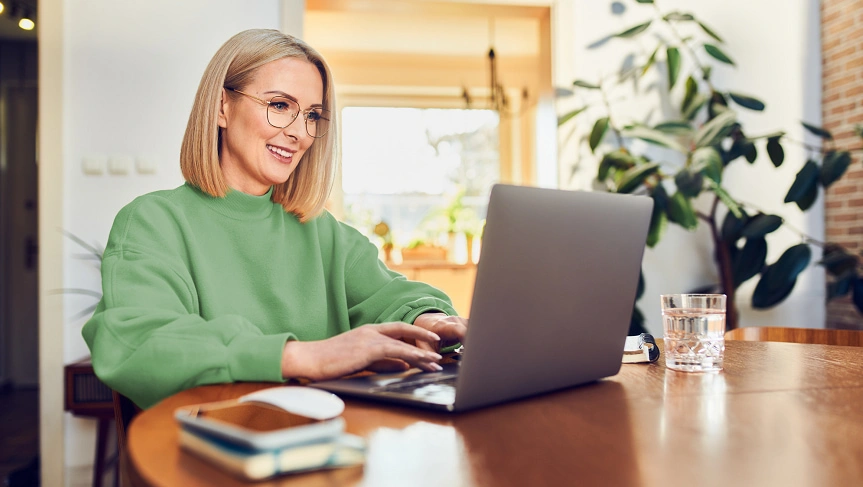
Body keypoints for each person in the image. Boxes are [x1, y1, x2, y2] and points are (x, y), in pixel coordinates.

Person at [82, 29, 468, 409]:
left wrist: (429, 319)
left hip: (327, 447)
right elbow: (138, 342)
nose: (300, 133)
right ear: (222, 107)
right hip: (209, 452)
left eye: (312, 115)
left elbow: (395, 296)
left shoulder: (321, 231)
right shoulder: (153, 222)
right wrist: (304, 357)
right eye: (280, 105)